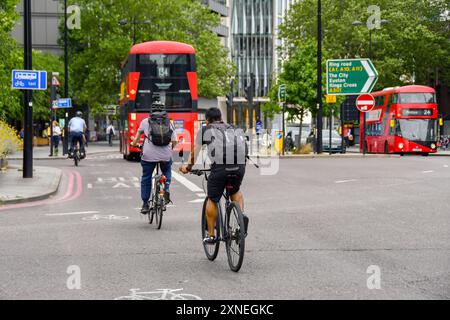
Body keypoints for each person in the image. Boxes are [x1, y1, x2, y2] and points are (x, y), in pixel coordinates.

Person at [179, 107, 248, 244]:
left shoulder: (205, 130)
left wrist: (188, 167)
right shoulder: (233, 127)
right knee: (235, 190)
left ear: (207, 120)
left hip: (220, 168)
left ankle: (211, 235)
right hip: (240, 166)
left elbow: (195, 152)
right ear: (220, 117)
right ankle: (241, 218)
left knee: (212, 198)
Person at [131, 101, 178, 214]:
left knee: (146, 177)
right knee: (167, 170)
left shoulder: (145, 121)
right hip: (165, 155)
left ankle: (145, 204)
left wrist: (134, 144)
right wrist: (169, 149)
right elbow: (175, 141)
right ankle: (166, 188)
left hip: (148, 155)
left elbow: (136, 139)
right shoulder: (169, 122)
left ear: (150, 110)